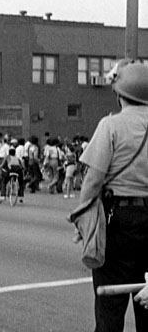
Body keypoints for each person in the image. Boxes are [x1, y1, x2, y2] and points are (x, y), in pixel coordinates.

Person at [78, 60, 148, 331]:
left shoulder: (111, 126)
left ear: (120, 95)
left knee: (110, 311)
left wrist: (83, 220)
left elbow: (93, 180)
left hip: (118, 220)